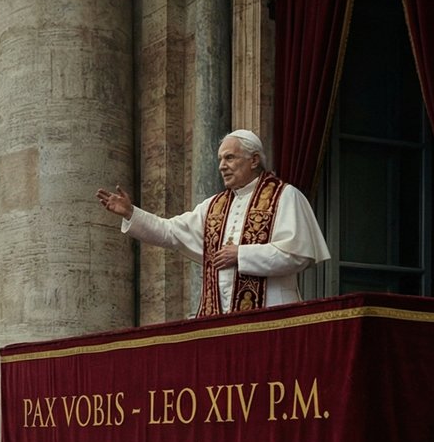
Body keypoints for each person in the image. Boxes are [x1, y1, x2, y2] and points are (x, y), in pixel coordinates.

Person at [96, 129, 330, 317]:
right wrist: (131, 213)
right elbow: (170, 232)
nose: (221, 166)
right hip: (220, 319)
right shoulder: (212, 207)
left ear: (254, 160)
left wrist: (241, 255)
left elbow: (299, 254)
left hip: (273, 314)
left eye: (229, 157)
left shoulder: (285, 196)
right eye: (219, 159)